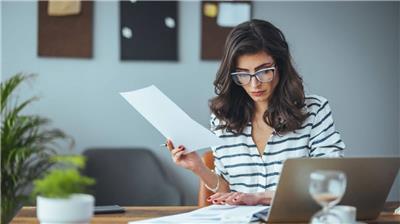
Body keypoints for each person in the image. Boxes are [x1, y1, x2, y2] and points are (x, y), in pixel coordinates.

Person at [166, 19, 345, 206]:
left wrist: (260, 197)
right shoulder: (222, 119)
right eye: (242, 74)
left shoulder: (314, 110)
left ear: (280, 66)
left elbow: (330, 183)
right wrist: (198, 168)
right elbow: (227, 192)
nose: (254, 84)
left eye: (264, 71)